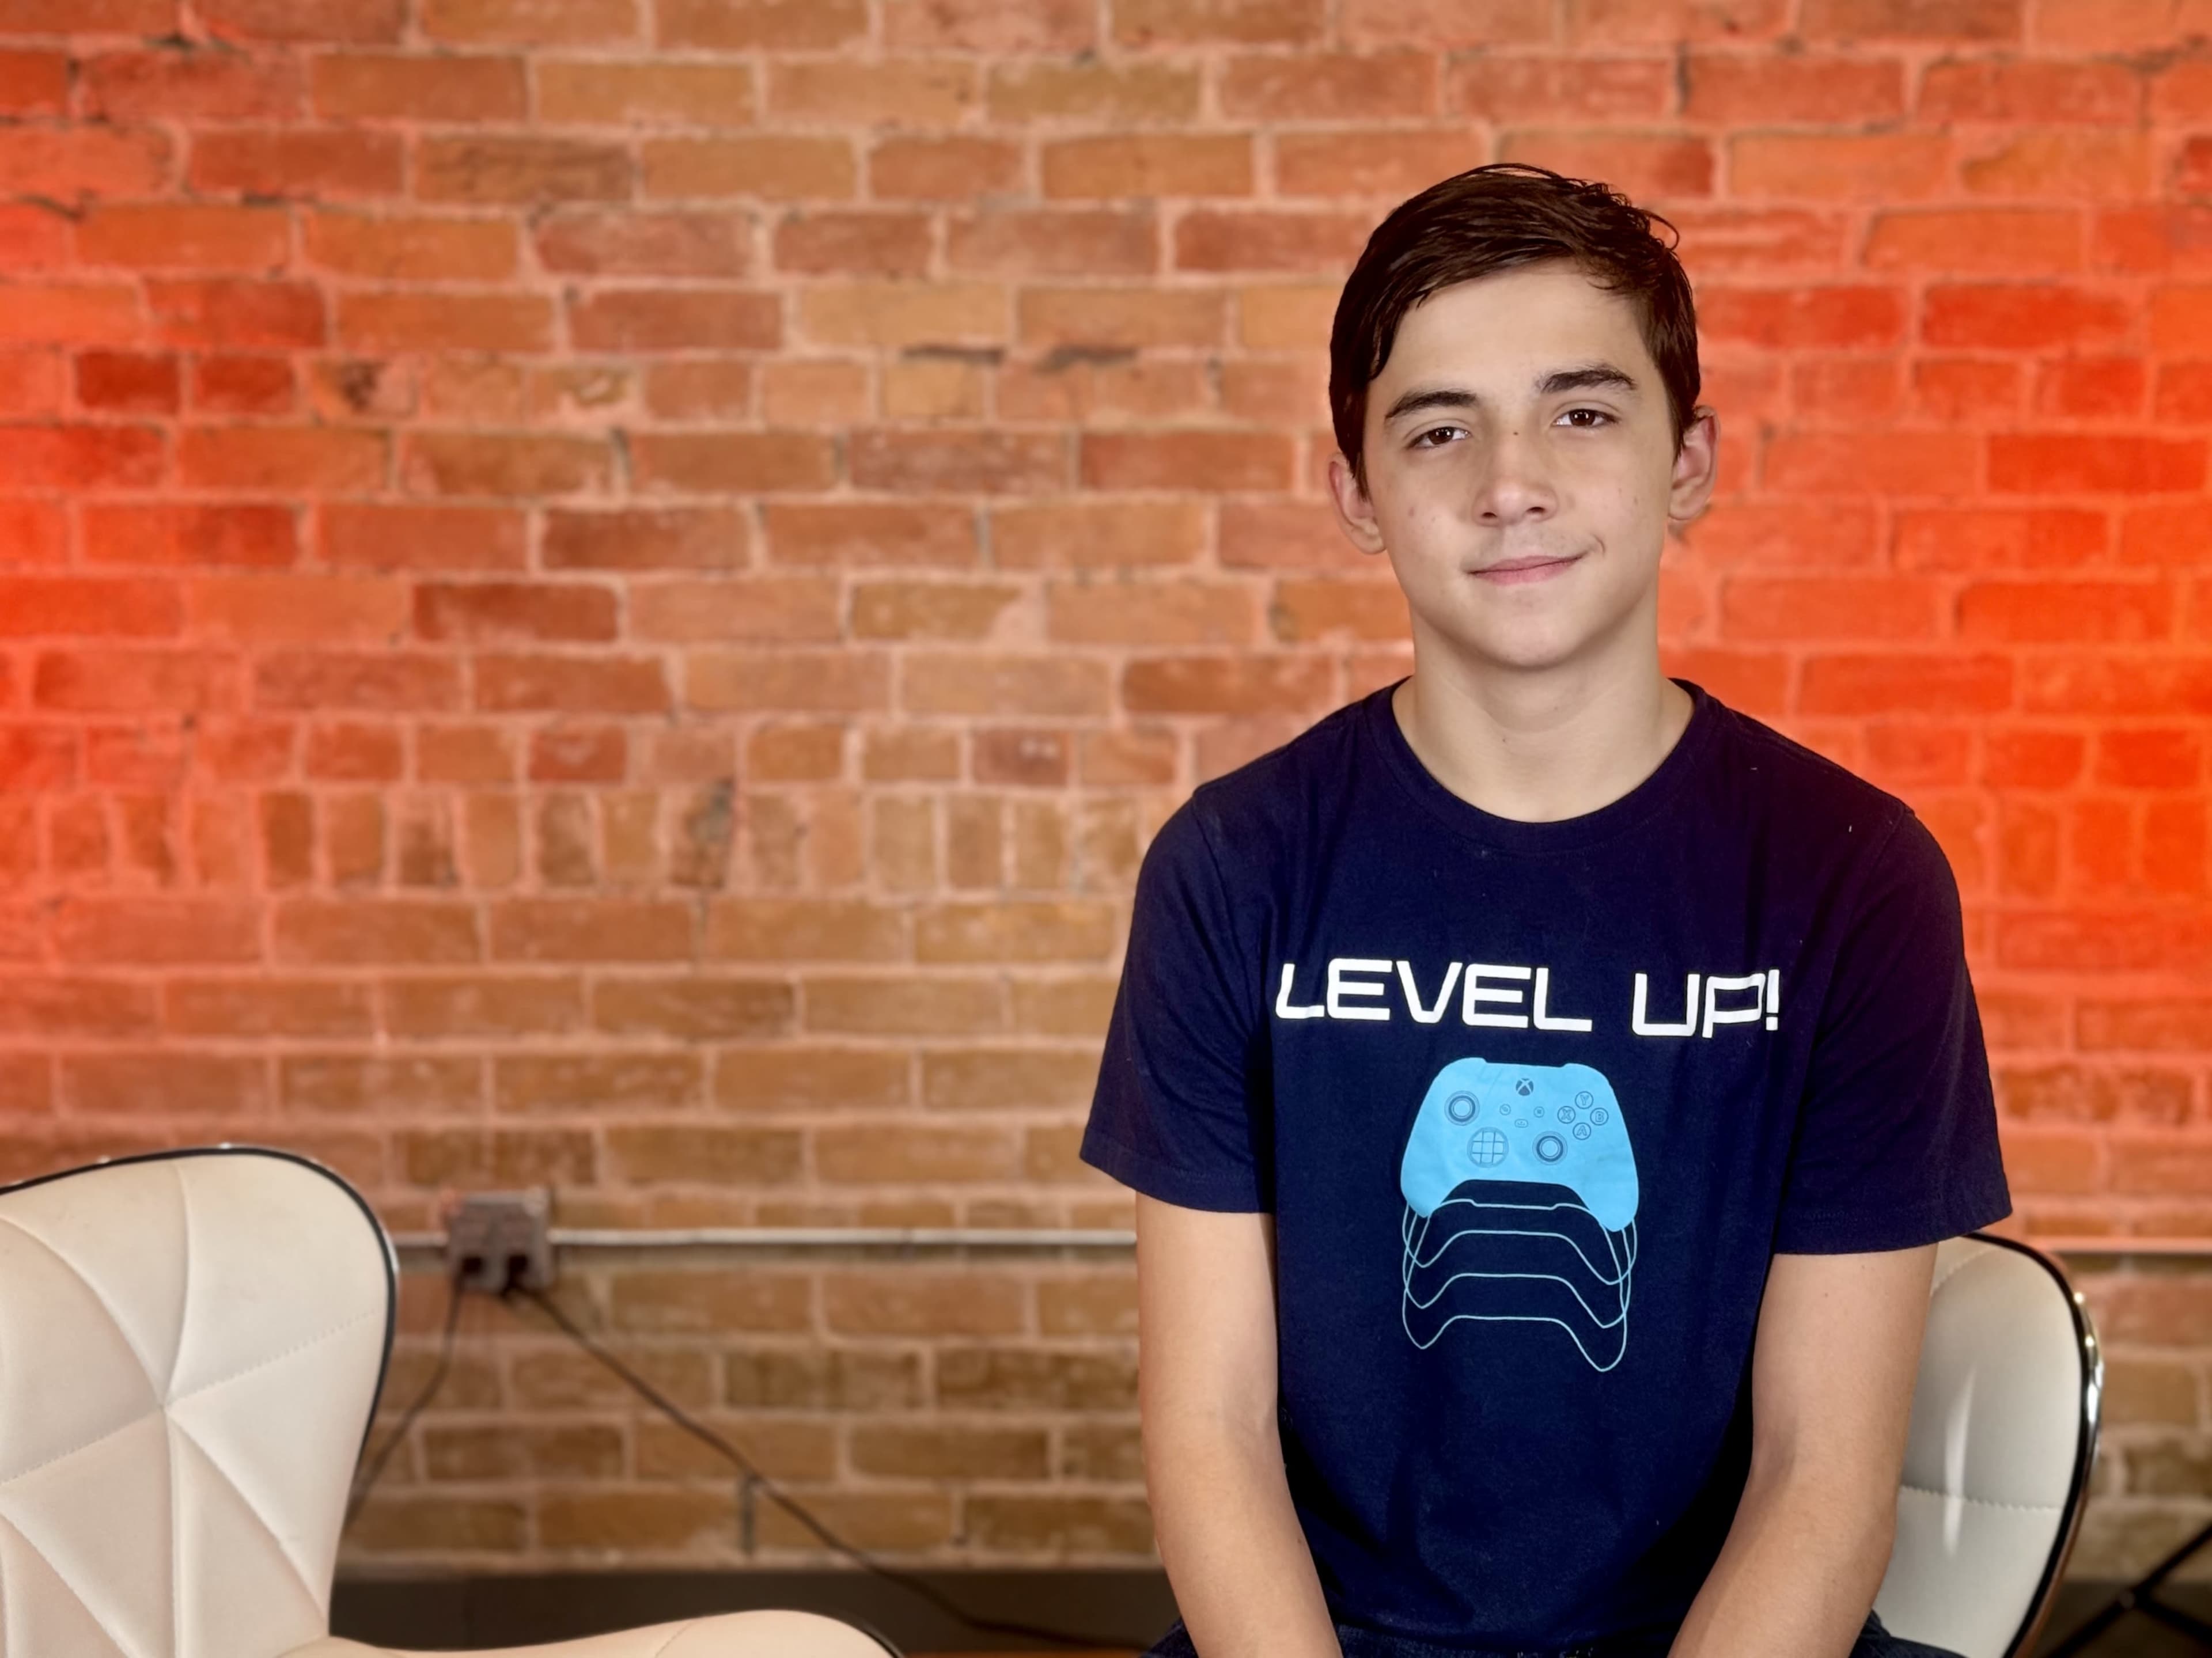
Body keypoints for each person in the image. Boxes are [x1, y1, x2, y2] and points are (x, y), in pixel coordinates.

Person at [1077, 164, 2010, 1658]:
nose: (1510, 479)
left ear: (1688, 460)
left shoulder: (1854, 877)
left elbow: (1823, 1481)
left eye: (1581, 411)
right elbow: (1210, 1433)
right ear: (1354, 493)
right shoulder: (1233, 867)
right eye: (1438, 428)